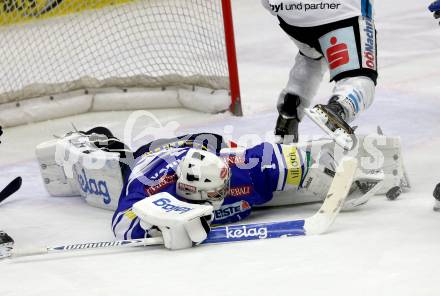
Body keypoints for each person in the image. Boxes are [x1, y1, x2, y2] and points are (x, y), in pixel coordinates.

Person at [36, 127, 411, 250]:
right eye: (213, 196)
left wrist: (341, 179)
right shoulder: (149, 182)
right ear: (185, 190)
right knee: (116, 168)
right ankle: (90, 141)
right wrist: (158, 223)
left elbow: (305, 162)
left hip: (202, 146)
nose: (222, 195)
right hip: (153, 157)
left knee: (222, 147)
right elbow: (123, 224)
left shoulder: (243, 168)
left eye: (224, 189)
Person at [261, 0, 377, 147]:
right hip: (338, 10)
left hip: (287, 11)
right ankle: (339, 109)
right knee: (360, 77)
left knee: (313, 55)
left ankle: (289, 113)